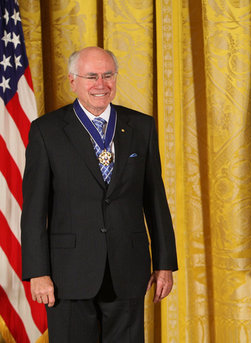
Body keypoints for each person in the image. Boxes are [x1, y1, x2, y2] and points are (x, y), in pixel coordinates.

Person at [21, 46, 178, 342]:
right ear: (73, 81)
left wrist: (165, 263)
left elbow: (155, 199)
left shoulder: (141, 126)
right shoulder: (47, 130)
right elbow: (34, 210)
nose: (100, 84)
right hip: (68, 274)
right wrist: (37, 272)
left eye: (108, 75)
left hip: (128, 269)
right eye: (91, 76)